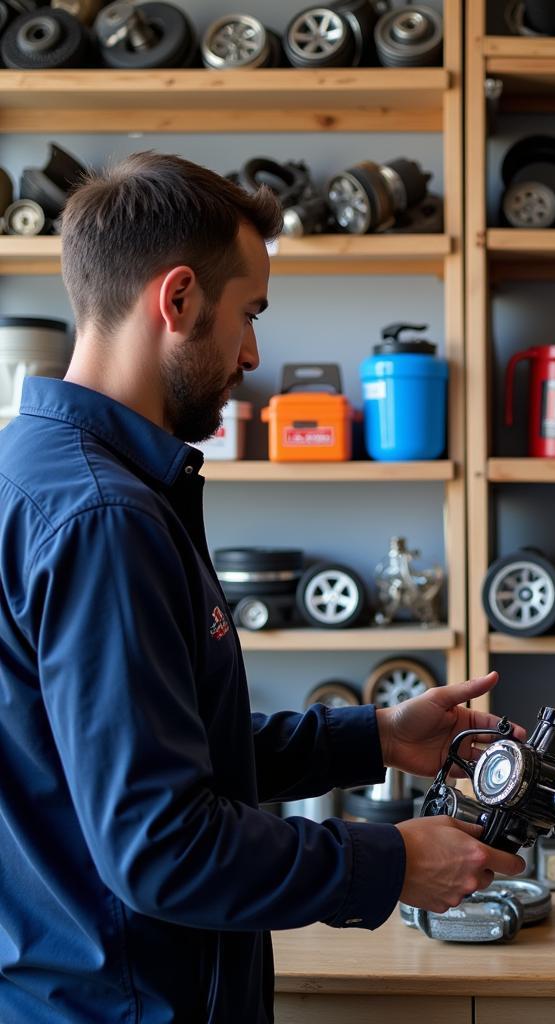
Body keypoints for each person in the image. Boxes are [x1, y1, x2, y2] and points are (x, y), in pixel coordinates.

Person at [0, 151, 523, 1024]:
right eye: (249, 314)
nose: (251, 352)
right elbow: (162, 847)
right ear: (176, 300)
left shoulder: (34, 469)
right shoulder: (104, 518)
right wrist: (390, 862)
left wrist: (378, 737)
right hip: (130, 1003)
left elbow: (148, 744)